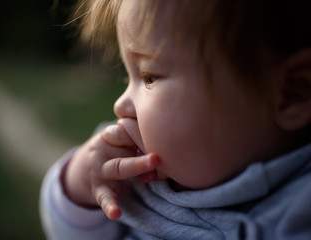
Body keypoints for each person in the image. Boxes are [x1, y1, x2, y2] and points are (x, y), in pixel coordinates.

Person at [40, 0, 311, 239]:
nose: (120, 105)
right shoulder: (127, 170)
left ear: (292, 92)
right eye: (128, 76)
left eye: (149, 76)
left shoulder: (298, 211)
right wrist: (78, 183)